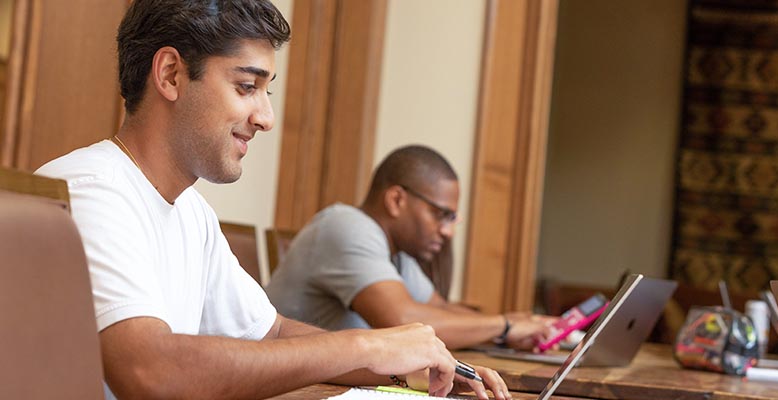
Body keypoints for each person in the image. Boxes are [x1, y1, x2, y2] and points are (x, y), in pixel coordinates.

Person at [35, 1, 511, 399]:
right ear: (171, 74)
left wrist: (412, 369)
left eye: (266, 91)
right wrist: (367, 349)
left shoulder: (190, 212)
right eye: (247, 87)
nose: (266, 117)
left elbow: (273, 332)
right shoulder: (93, 191)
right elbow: (149, 370)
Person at [266, 145, 553, 350]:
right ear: (396, 200)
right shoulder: (346, 225)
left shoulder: (396, 255)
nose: (448, 231)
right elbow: (403, 320)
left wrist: (510, 328)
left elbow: (438, 309)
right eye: (441, 215)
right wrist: (502, 326)